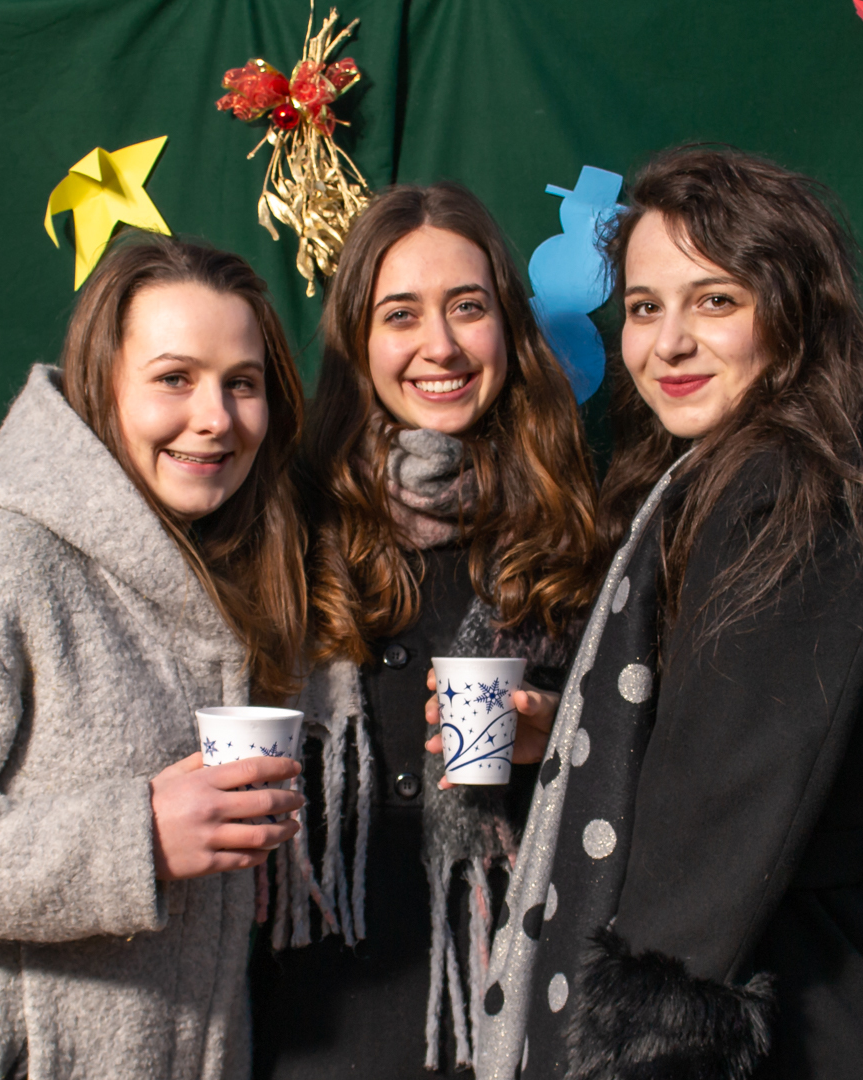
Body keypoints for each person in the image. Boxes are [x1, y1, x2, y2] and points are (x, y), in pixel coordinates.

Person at [0, 236, 311, 1080]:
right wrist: (137, 837)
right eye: (174, 378)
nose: (217, 416)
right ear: (101, 387)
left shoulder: (225, 571)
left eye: (242, 383)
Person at [476, 146, 863, 1080]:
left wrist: (641, 1051)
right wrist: (575, 731)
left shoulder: (790, 491)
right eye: (645, 308)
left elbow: (720, 813)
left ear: (793, 313)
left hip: (755, 1037)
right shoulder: (708, 482)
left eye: (715, 300)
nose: (668, 343)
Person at [249, 182, 602, 1078]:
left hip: (519, 1006)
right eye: (400, 314)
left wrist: (553, 734)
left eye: (468, 308)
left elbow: (666, 757)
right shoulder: (286, 522)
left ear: (508, 329)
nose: (439, 345)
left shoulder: (580, 526)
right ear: (357, 342)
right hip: (319, 1014)